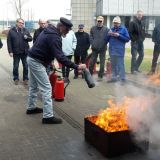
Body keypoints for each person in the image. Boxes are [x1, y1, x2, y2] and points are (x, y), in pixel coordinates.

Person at [27, 17, 86, 124]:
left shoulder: (48, 30)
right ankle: (48, 116)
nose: (68, 32)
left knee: (33, 86)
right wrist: (77, 66)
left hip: (32, 58)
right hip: (37, 61)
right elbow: (60, 57)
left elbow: (44, 48)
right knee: (47, 88)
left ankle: (31, 108)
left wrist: (50, 62)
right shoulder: (54, 37)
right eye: (67, 29)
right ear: (62, 27)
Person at [7, 18, 32, 85]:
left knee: (26, 66)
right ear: (17, 23)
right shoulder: (11, 31)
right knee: (15, 66)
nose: (21, 24)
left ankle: (26, 78)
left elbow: (30, 39)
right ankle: (16, 78)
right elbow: (9, 42)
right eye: (20, 23)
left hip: (24, 52)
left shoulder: (25, 30)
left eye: (22, 23)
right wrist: (10, 51)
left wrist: (27, 37)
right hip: (16, 52)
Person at [105, 16, 130, 83]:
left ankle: (123, 79)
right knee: (113, 65)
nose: (115, 24)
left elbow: (127, 39)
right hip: (112, 51)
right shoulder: (111, 29)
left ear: (119, 23)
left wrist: (119, 35)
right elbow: (106, 40)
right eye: (114, 23)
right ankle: (114, 78)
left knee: (120, 65)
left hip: (120, 51)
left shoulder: (124, 29)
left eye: (117, 23)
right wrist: (108, 34)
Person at [89, 16, 109, 80]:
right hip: (94, 48)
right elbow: (90, 37)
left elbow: (108, 38)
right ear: (96, 21)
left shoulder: (106, 29)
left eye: (101, 21)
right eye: (98, 21)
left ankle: (100, 76)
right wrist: (93, 44)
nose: (99, 22)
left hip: (103, 49)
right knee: (92, 62)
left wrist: (104, 44)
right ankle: (90, 75)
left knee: (102, 63)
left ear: (103, 21)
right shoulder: (92, 28)